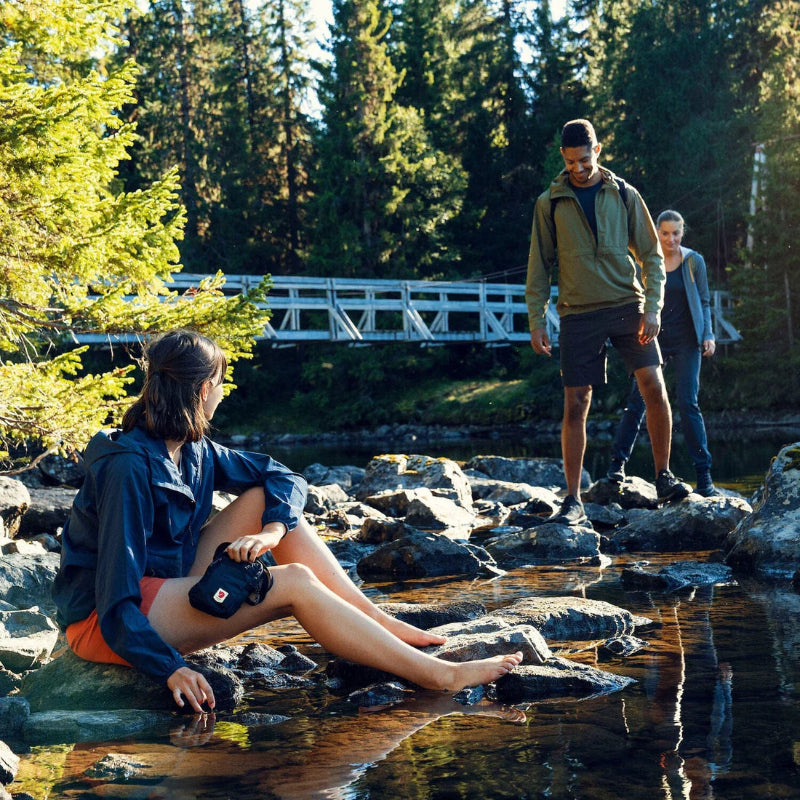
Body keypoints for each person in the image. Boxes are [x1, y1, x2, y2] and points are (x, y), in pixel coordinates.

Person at [51, 330, 523, 712]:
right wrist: (169, 667)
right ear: (202, 390)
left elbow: (283, 475)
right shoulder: (127, 467)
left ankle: (378, 620)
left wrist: (273, 529)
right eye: (220, 383)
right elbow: (114, 599)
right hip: (106, 619)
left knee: (265, 498)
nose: (222, 393)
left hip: (163, 581)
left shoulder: (192, 448)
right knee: (294, 582)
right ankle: (437, 676)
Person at [525, 119, 690, 526]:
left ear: (597, 150)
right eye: (570, 162)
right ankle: (573, 499)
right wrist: (536, 320)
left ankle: (664, 477)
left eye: (583, 160)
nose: (578, 169)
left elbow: (651, 256)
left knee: (653, 384)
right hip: (578, 313)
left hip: (626, 306)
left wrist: (652, 308)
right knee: (576, 402)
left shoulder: (624, 193)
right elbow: (539, 267)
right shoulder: (550, 202)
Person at [607, 210, 719, 496]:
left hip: (686, 342)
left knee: (687, 402)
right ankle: (616, 466)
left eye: (676, 233)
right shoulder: (645, 260)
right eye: (665, 233)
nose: (671, 239)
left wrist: (708, 334)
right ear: (657, 232)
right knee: (638, 402)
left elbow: (704, 301)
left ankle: (704, 477)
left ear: (683, 233)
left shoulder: (694, 262)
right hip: (650, 339)